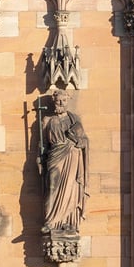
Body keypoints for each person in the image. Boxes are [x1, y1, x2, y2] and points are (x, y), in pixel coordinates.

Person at [39, 89, 89, 235]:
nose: (61, 103)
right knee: (52, 185)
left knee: (71, 187)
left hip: (72, 157)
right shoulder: (47, 120)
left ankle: (67, 220)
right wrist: (38, 157)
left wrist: (76, 140)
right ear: (54, 101)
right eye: (58, 100)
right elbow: (42, 144)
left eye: (64, 100)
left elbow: (84, 141)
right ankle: (50, 221)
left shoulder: (74, 120)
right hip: (55, 156)